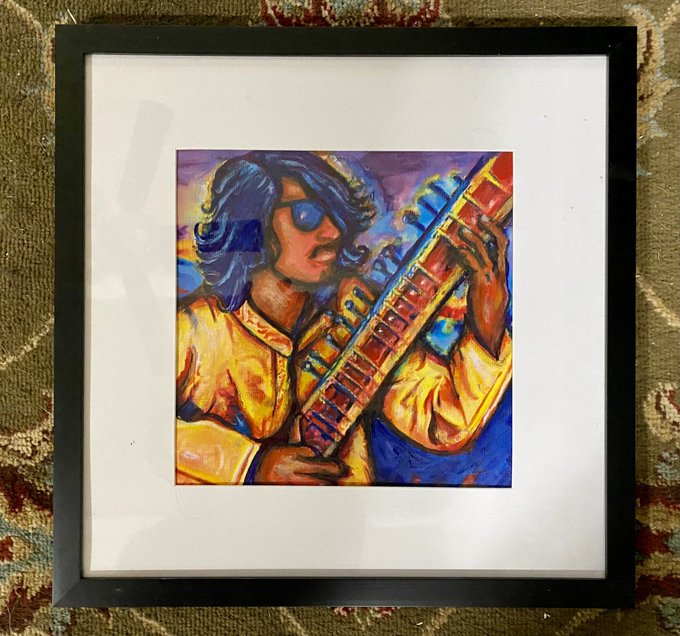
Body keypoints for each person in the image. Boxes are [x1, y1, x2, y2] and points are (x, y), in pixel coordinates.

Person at [176, 151, 511, 485]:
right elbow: (147, 429)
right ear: (253, 223)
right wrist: (250, 465)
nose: (333, 232)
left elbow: (445, 423)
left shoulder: (352, 320)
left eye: (336, 216)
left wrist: (487, 326)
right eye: (306, 216)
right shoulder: (196, 330)